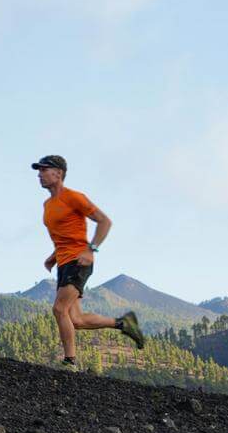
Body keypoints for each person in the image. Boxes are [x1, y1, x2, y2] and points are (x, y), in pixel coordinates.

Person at [32, 154, 145, 368]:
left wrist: (91, 249)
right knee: (76, 320)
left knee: (59, 309)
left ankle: (69, 362)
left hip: (79, 261)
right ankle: (123, 323)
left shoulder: (74, 197)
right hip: (65, 263)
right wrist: (53, 257)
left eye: (44, 170)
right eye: (39, 171)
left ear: (58, 173)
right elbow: (64, 236)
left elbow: (104, 221)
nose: (40, 175)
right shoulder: (48, 205)